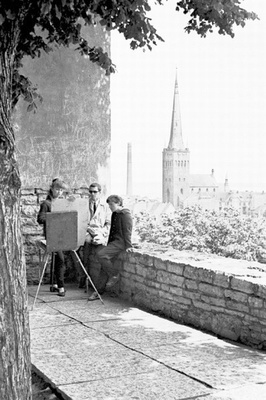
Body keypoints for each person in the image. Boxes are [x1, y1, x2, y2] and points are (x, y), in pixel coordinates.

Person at [88, 194, 133, 301]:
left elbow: (127, 231)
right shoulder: (115, 214)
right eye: (109, 205)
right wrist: (108, 244)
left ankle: (114, 274)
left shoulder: (125, 215)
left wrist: (129, 245)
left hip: (120, 243)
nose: (110, 207)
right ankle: (98, 292)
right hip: (113, 242)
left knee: (101, 255)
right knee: (104, 267)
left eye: (112, 205)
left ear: (118, 204)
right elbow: (112, 232)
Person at [37, 178, 69, 297]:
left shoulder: (61, 203)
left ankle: (56, 284)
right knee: (61, 259)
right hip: (51, 236)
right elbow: (40, 219)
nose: (59, 192)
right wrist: (54, 218)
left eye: (61, 190)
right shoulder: (46, 203)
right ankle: (61, 287)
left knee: (59, 259)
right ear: (52, 189)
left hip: (62, 235)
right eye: (57, 189)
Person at [79, 182, 111, 288]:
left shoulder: (105, 206)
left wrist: (101, 233)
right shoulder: (84, 205)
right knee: (83, 250)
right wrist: (88, 229)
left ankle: (100, 285)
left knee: (102, 252)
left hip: (100, 232)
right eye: (91, 192)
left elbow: (108, 223)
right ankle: (83, 276)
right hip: (88, 231)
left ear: (100, 192)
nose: (92, 194)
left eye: (95, 192)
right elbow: (82, 221)